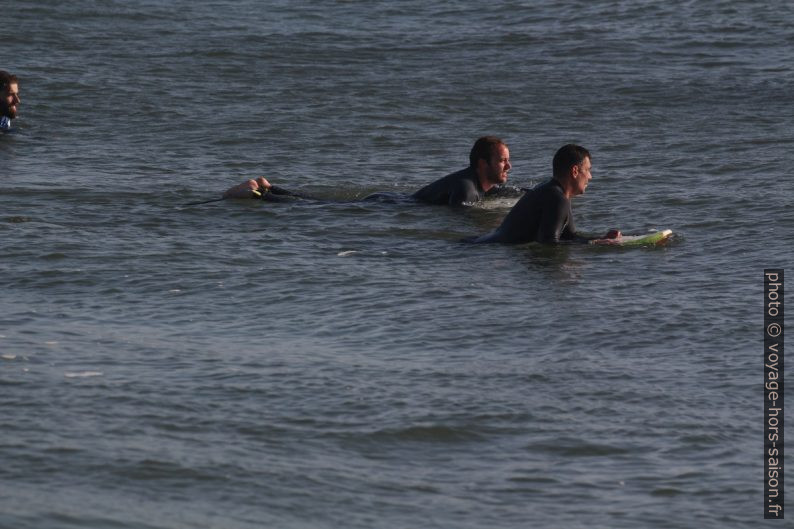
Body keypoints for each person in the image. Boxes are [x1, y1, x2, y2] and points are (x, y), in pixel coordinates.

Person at [221, 136, 523, 206]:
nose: (508, 166)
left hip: (390, 201)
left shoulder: (477, 183)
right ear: (482, 164)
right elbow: (464, 216)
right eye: (502, 161)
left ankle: (270, 188)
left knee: (318, 203)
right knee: (316, 206)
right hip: (386, 207)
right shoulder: (466, 188)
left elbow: (502, 192)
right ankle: (259, 195)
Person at [465, 144, 620, 244]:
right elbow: (548, 243)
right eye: (588, 170)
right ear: (574, 171)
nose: (590, 176)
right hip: (482, 251)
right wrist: (593, 245)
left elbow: (569, 236)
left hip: (479, 244)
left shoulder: (556, 192)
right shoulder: (556, 198)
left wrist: (600, 239)